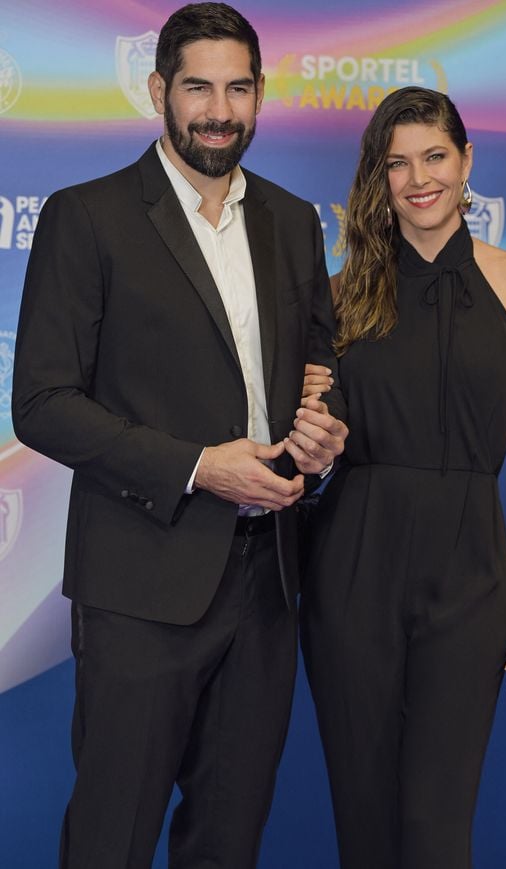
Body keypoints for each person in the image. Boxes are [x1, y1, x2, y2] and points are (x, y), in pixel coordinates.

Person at [11, 4, 347, 867]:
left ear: (261, 95)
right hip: (138, 586)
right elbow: (42, 401)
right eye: (197, 86)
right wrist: (199, 466)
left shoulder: (292, 220)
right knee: (111, 837)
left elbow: (316, 364)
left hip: (266, 584)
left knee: (229, 840)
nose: (218, 110)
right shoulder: (87, 217)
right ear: (158, 90)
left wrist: (318, 434)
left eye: (238, 88)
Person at [300, 86, 506, 869]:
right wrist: (315, 437)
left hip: (470, 577)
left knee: (438, 832)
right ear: (378, 178)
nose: (420, 178)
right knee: (366, 831)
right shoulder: (342, 294)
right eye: (398, 163)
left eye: (435, 156)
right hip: (352, 569)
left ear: (467, 160)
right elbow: (316, 439)